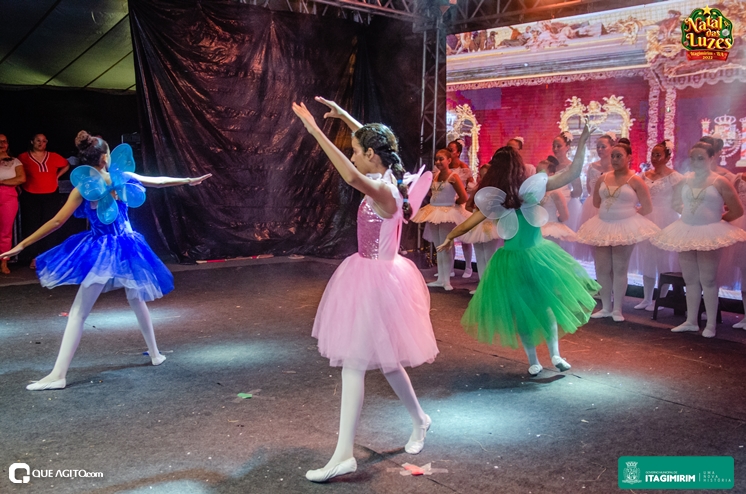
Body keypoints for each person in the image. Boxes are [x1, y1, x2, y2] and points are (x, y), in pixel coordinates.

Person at [293, 98, 438, 482]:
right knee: (387, 363)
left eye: (357, 151)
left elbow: (352, 176)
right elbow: (377, 147)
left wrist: (316, 131)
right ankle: (420, 419)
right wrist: (345, 118)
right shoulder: (392, 180)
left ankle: (344, 455)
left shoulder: (386, 192)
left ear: (371, 155)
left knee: (354, 365)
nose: (354, 156)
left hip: (378, 283)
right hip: (372, 277)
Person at [0, 131, 211, 390]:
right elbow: (157, 182)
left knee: (80, 312)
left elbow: (56, 222)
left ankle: (60, 375)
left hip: (104, 250)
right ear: (105, 157)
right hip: (128, 246)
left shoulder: (85, 188)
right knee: (135, 299)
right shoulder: (120, 178)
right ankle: (153, 354)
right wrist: (189, 180)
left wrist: (21, 245)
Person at [438, 122, 598, 375]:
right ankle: (550, 355)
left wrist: (450, 237)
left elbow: (469, 222)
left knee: (526, 310)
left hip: (517, 260)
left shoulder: (516, 193)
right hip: (533, 257)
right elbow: (572, 173)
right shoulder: (512, 195)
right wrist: (583, 142)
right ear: (518, 165)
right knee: (541, 307)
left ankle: (541, 358)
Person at [651, 142, 746, 337]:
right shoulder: (685, 180)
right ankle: (691, 321)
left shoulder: (720, 181)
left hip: (709, 232)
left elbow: (737, 210)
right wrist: (688, 214)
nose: (695, 162)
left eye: (700, 158)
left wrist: (717, 222)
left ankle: (710, 324)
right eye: (693, 158)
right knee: (690, 278)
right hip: (686, 230)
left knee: (708, 279)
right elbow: (675, 203)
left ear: (711, 158)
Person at [576, 141, 659, 322]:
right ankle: (606, 307)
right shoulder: (603, 178)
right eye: (613, 156)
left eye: (619, 156)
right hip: (603, 225)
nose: (614, 159)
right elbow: (596, 202)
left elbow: (647, 207)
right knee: (602, 268)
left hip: (625, 226)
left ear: (629, 157)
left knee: (620, 268)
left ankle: (617, 309)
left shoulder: (635, 180)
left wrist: (629, 216)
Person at [633, 140, 683, 310]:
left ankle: (661, 299)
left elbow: (678, 201)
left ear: (667, 157)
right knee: (647, 258)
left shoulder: (674, 177)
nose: (654, 158)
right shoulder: (644, 176)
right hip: (647, 217)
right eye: (653, 154)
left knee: (663, 258)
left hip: (666, 218)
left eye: (658, 155)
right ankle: (647, 298)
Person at [412, 148, 469, 291]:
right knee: (438, 246)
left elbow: (463, 196)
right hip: (434, 211)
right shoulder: (436, 175)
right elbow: (433, 193)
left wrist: (453, 205)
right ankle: (440, 279)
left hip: (446, 213)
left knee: (446, 246)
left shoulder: (453, 177)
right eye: (436, 159)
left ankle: (446, 280)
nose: (437, 162)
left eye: (441, 159)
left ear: (449, 160)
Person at [18, 133, 70, 268]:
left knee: (50, 225)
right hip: (31, 194)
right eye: (38, 141)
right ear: (32, 142)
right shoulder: (23, 157)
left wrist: (57, 176)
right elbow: (17, 172)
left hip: (51, 194)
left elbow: (66, 164)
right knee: (32, 226)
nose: (41, 143)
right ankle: (33, 257)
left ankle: (48, 256)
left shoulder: (53, 156)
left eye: (44, 141)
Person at [460, 163, 501, 294]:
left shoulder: (497, 191)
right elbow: (468, 205)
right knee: (479, 255)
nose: (482, 178)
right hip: (478, 224)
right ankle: (482, 285)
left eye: (485, 176)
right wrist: (475, 211)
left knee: (489, 256)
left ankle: (490, 286)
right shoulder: (478, 189)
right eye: (481, 176)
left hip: (491, 224)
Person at [575, 133, 614, 261]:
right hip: (592, 206)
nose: (600, 149)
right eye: (598, 147)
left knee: (609, 242)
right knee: (593, 244)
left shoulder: (616, 167)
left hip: (611, 207)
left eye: (603, 147)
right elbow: (589, 187)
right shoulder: (591, 167)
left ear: (612, 147)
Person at [448, 139, 476, 278]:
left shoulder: (463, 167)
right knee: (449, 237)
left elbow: (471, 185)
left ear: (458, 153)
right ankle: (450, 267)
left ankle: (468, 266)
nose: (449, 152)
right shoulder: (444, 167)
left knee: (465, 237)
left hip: (460, 204)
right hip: (448, 205)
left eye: (451, 150)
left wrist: (465, 195)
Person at [0, 134, 26, 274]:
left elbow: (21, 178)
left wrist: (2, 182)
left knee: (6, 231)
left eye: (4, 142)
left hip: (8, 195)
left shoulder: (14, 161)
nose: (1, 144)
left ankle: (4, 262)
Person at [536, 157, 576, 245]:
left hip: (551, 229)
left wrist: (556, 219)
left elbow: (564, 215)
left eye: (541, 172)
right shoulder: (535, 192)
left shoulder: (555, 193)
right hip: (536, 228)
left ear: (551, 175)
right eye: (537, 171)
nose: (538, 175)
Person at [551, 131, 583, 231]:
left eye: (559, 146)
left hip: (567, 204)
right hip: (550, 203)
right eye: (554, 146)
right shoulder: (550, 165)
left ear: (567, 147)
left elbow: (578, 190)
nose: (555, 149)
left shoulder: (571, 167)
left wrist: (566, 195)